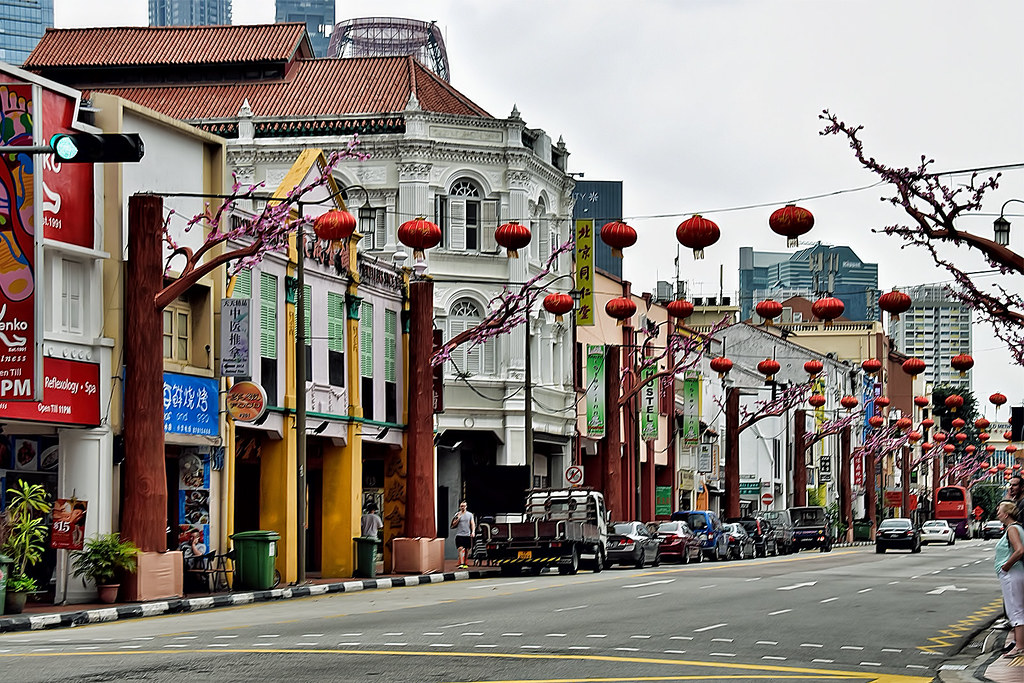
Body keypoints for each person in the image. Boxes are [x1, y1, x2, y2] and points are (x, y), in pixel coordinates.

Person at [994, 500, 1024, 658]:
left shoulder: (1012, 529)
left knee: (1015, 610)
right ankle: (1020, 645)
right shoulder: (1016, 527)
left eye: (999, 511)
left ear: (1006, 514)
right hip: (1015, 573)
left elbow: (1019, 550)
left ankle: (1019, 646)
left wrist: (1006, 566)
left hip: (1012, 574)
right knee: (1018, 608)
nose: (998, 513)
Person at [450, 501, 476, 569]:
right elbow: (452, 525)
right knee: (460, 548)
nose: (463, 507)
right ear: (459, 507)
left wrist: (473, 532)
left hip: (467, 534)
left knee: (467, 549)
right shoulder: (457, 514)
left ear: (466, 506)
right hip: (459, 534)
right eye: (461, 506)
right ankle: (461, 563)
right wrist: (458, 519)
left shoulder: (470, 515)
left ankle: (465, 562)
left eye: (464, 506)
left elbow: (472, 524)